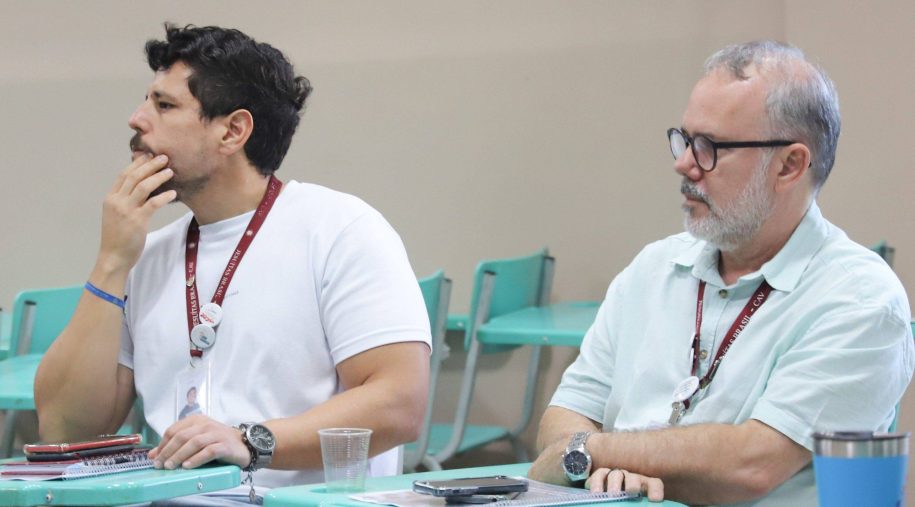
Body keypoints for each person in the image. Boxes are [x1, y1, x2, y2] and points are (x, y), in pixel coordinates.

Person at [34, 23, 431, 499]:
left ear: (233, 130)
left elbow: (399, 404)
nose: (136, 119)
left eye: (164, 105)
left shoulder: (340, 230)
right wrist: (111, 262)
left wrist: (250, 442)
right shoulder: (146, 255)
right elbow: (64, 428)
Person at [529, 40, 913, 506]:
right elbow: (567, 410)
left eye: (709, 147)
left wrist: (589, 453)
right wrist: (599, 462)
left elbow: (753, 465)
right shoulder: (654, 268)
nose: (683, 163)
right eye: (685, 139)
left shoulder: (860, 299)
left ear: (789, 165)